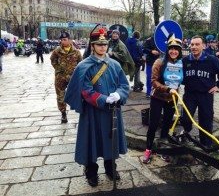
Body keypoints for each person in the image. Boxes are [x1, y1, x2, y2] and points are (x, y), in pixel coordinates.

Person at [64, 31, 129, 187]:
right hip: (92, 112)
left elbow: (124, 85)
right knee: (91, 142)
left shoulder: (115, 64)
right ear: (92, 46)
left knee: (110, 140)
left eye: (105, 44)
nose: (102, 47)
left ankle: (110, 168)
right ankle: (91, 171)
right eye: (99, 44)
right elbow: (85, 91)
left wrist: (118, 95)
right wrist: (103, 99)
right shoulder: (83, 66)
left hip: (112, 111)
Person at [180, 35, 219, 151]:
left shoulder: (211, 60)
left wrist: (218, 86)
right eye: (192, 44)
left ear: (203, 46)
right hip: (190, 94)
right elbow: (177, 75)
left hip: (205, 95)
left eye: (197, 44)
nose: (194, 47)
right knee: (185, 119)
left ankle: (206, 145)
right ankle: (185, 134)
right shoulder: (185, 61)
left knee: (206, 121)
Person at [142, 35, 183, 164]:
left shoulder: (181, 63)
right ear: (167, 49)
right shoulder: (159, 62)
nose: (174, 51)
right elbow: (153, 81)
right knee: (153, 124)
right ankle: (148, 149)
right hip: (158, 97)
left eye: (176, 49)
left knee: (167, 124)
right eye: (171, 48)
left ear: (180, 51)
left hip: (172, 99)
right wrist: (166, 88)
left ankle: (163, 150)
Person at [50, 31, 82, 123]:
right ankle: (63, 113)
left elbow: (81, 63)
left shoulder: (76, 52)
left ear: (70, 40)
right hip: (60, 77)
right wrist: (58, 69)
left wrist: (76, 73)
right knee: (60, 95)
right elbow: (53, 61)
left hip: (73, 77)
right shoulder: (57, 51)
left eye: (64, 40)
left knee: (78, 94)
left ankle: (80, 111)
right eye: (61, 40)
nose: (62, 41)